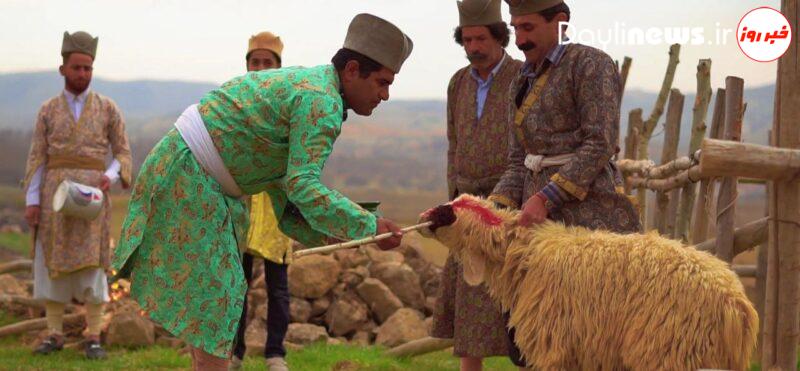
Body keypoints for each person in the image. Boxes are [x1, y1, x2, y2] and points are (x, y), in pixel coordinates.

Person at [112, 13, 412, 370]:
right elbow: (302, 185)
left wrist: (365, 224)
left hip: (193, 176)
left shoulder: (317, 86)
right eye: (381, 82)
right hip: (191, 177)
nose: (386, 95)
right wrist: (369, 225)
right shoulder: (323, 102)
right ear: (351, 70)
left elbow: (287, 184)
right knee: (217, 299)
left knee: (217, 299)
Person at [489, 1, 640, 368]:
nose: (520, 40)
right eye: (516, 29)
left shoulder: (592, 64)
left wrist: (546, 196)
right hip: (539, 230)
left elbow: (600, 142)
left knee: (594, 338)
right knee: (540, 341)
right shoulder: (521, 79)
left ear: (559, 23)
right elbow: (517, 158)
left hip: (592, 221)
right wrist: (492, 207)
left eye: (528, 28)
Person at [22, 30, 132, 360]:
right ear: (63, 69)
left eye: (88, 68)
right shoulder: (47, 110)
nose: (82, 73)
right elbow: (37, 156)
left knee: (92, 268)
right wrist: (32, 201)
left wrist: (109, 177)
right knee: (53, 265)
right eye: (76, 67)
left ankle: (94, 335)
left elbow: (123, 153)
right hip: (54, 199)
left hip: (93, 203)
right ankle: (54, 333)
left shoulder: (108, 108)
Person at [431, 1, 522, 370]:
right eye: (467, 39)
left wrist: (510, 199)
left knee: (518, 298)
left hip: (509, 203)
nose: (473, 47)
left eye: (481, 38)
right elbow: (454, 143)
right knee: (469, 300)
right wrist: (455, 198)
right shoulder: (458, 82)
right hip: (466, 207)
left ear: (500, 37)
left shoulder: (522, 76)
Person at [229, 31, 292, 371]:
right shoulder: (235, 101)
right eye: (256, 62)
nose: (261, 68)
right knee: (236, 284)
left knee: (277, 287)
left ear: (279, 67)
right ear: (247, 66)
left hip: (275, 204)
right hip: (240, 201)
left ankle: (275, 353)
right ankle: (235, 352)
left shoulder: (288, 102)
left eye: (268, 63)